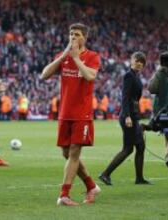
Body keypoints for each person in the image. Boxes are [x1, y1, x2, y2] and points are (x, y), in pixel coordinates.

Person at [41, 23, 101, 206]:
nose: (73, 37)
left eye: (77, 34)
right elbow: (44, 75)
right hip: (65, 112)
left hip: (81, 113)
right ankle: (91, 186)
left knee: (74, 152)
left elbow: (90, 76)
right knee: (66, 154)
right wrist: (65, 55)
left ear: (85, 37)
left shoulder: (92, 56)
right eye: (71, 34)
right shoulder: (63, 56)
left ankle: (64, 194)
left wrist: (76, 59)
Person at [99, 52, 151, 186]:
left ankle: (139, 178)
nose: (139, 63)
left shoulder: (135, 76)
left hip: (133, 115)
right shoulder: (129, 75)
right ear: (131, 61)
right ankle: (105, 174)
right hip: (128, 117)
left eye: (142, 62)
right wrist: (127, 116)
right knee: (128, 149)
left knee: (140, 147)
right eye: (137, 60)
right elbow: (125, 97)